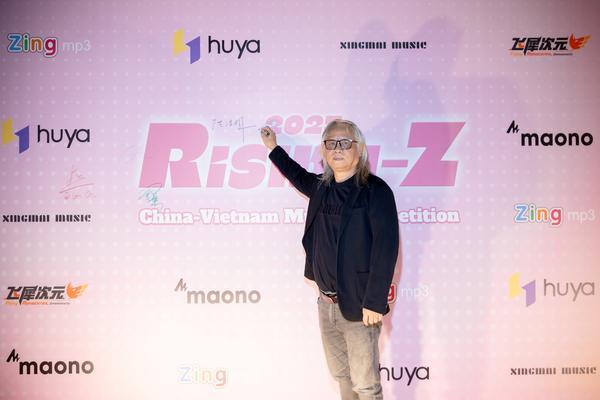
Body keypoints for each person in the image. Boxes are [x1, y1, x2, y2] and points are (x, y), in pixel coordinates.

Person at [260, 119, 399, 400]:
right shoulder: (321, 187)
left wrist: (374, 301)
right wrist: (273, 148)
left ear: (359, 150)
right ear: (323, 151)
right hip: (326, 304)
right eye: (331, 143)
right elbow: (297, 174)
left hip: (360, 305)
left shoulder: (376, 191)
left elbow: (386, 248)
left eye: (345, 143)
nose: (337, 148)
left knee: (365, 385)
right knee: (342, 377)